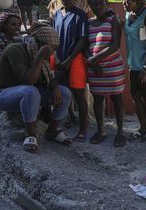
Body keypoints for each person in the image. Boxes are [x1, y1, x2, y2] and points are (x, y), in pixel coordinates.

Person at [0, 22, 72, 153]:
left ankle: (52, 131)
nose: (52, 52)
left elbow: (48, 78)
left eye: (54, 48)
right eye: (51, 48)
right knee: (31, 91)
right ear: (40, 44)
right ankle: (31, 135)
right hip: (4, 95)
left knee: (65, 93)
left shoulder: (42, 56)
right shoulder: (15, 50)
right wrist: (40, 57)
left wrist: (54, 87)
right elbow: (28, 80)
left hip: (28, 94)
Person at [86, 0, 126, 147]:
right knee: (97, 99)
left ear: (106, 3)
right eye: (94, 5)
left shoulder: (113, 20)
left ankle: (120, 132)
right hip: (94, 68)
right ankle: (101, 131)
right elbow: (85, 44)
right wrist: (93, 64)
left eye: (100, 4)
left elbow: (115, 45)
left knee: (117, 99)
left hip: (112, 67)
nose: (98, 7)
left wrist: (94, 59)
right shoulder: (89, 23)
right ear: (90, 6)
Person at [123, 0, 146, 142]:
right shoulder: (128, 14)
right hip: (134, 63)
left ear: (139, 1)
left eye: (128, 0)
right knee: (136, 95)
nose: (124, 3)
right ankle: (142, 128)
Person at [53, 0, 89, 142]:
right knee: (62, 92)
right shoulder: (56, 14)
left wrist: (69, 59)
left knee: (79, 95)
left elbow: (83, 39)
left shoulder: (80, 15)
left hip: (75, 60)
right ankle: (68, 119)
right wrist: (56, 58)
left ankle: (83, 129)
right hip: (59, 60)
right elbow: (53, 37)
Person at [0, 11, 21, 78]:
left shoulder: (17, 41)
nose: (17, 27)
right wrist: (2, 74)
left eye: (18, 25)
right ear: (4, 26)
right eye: (13, 24)